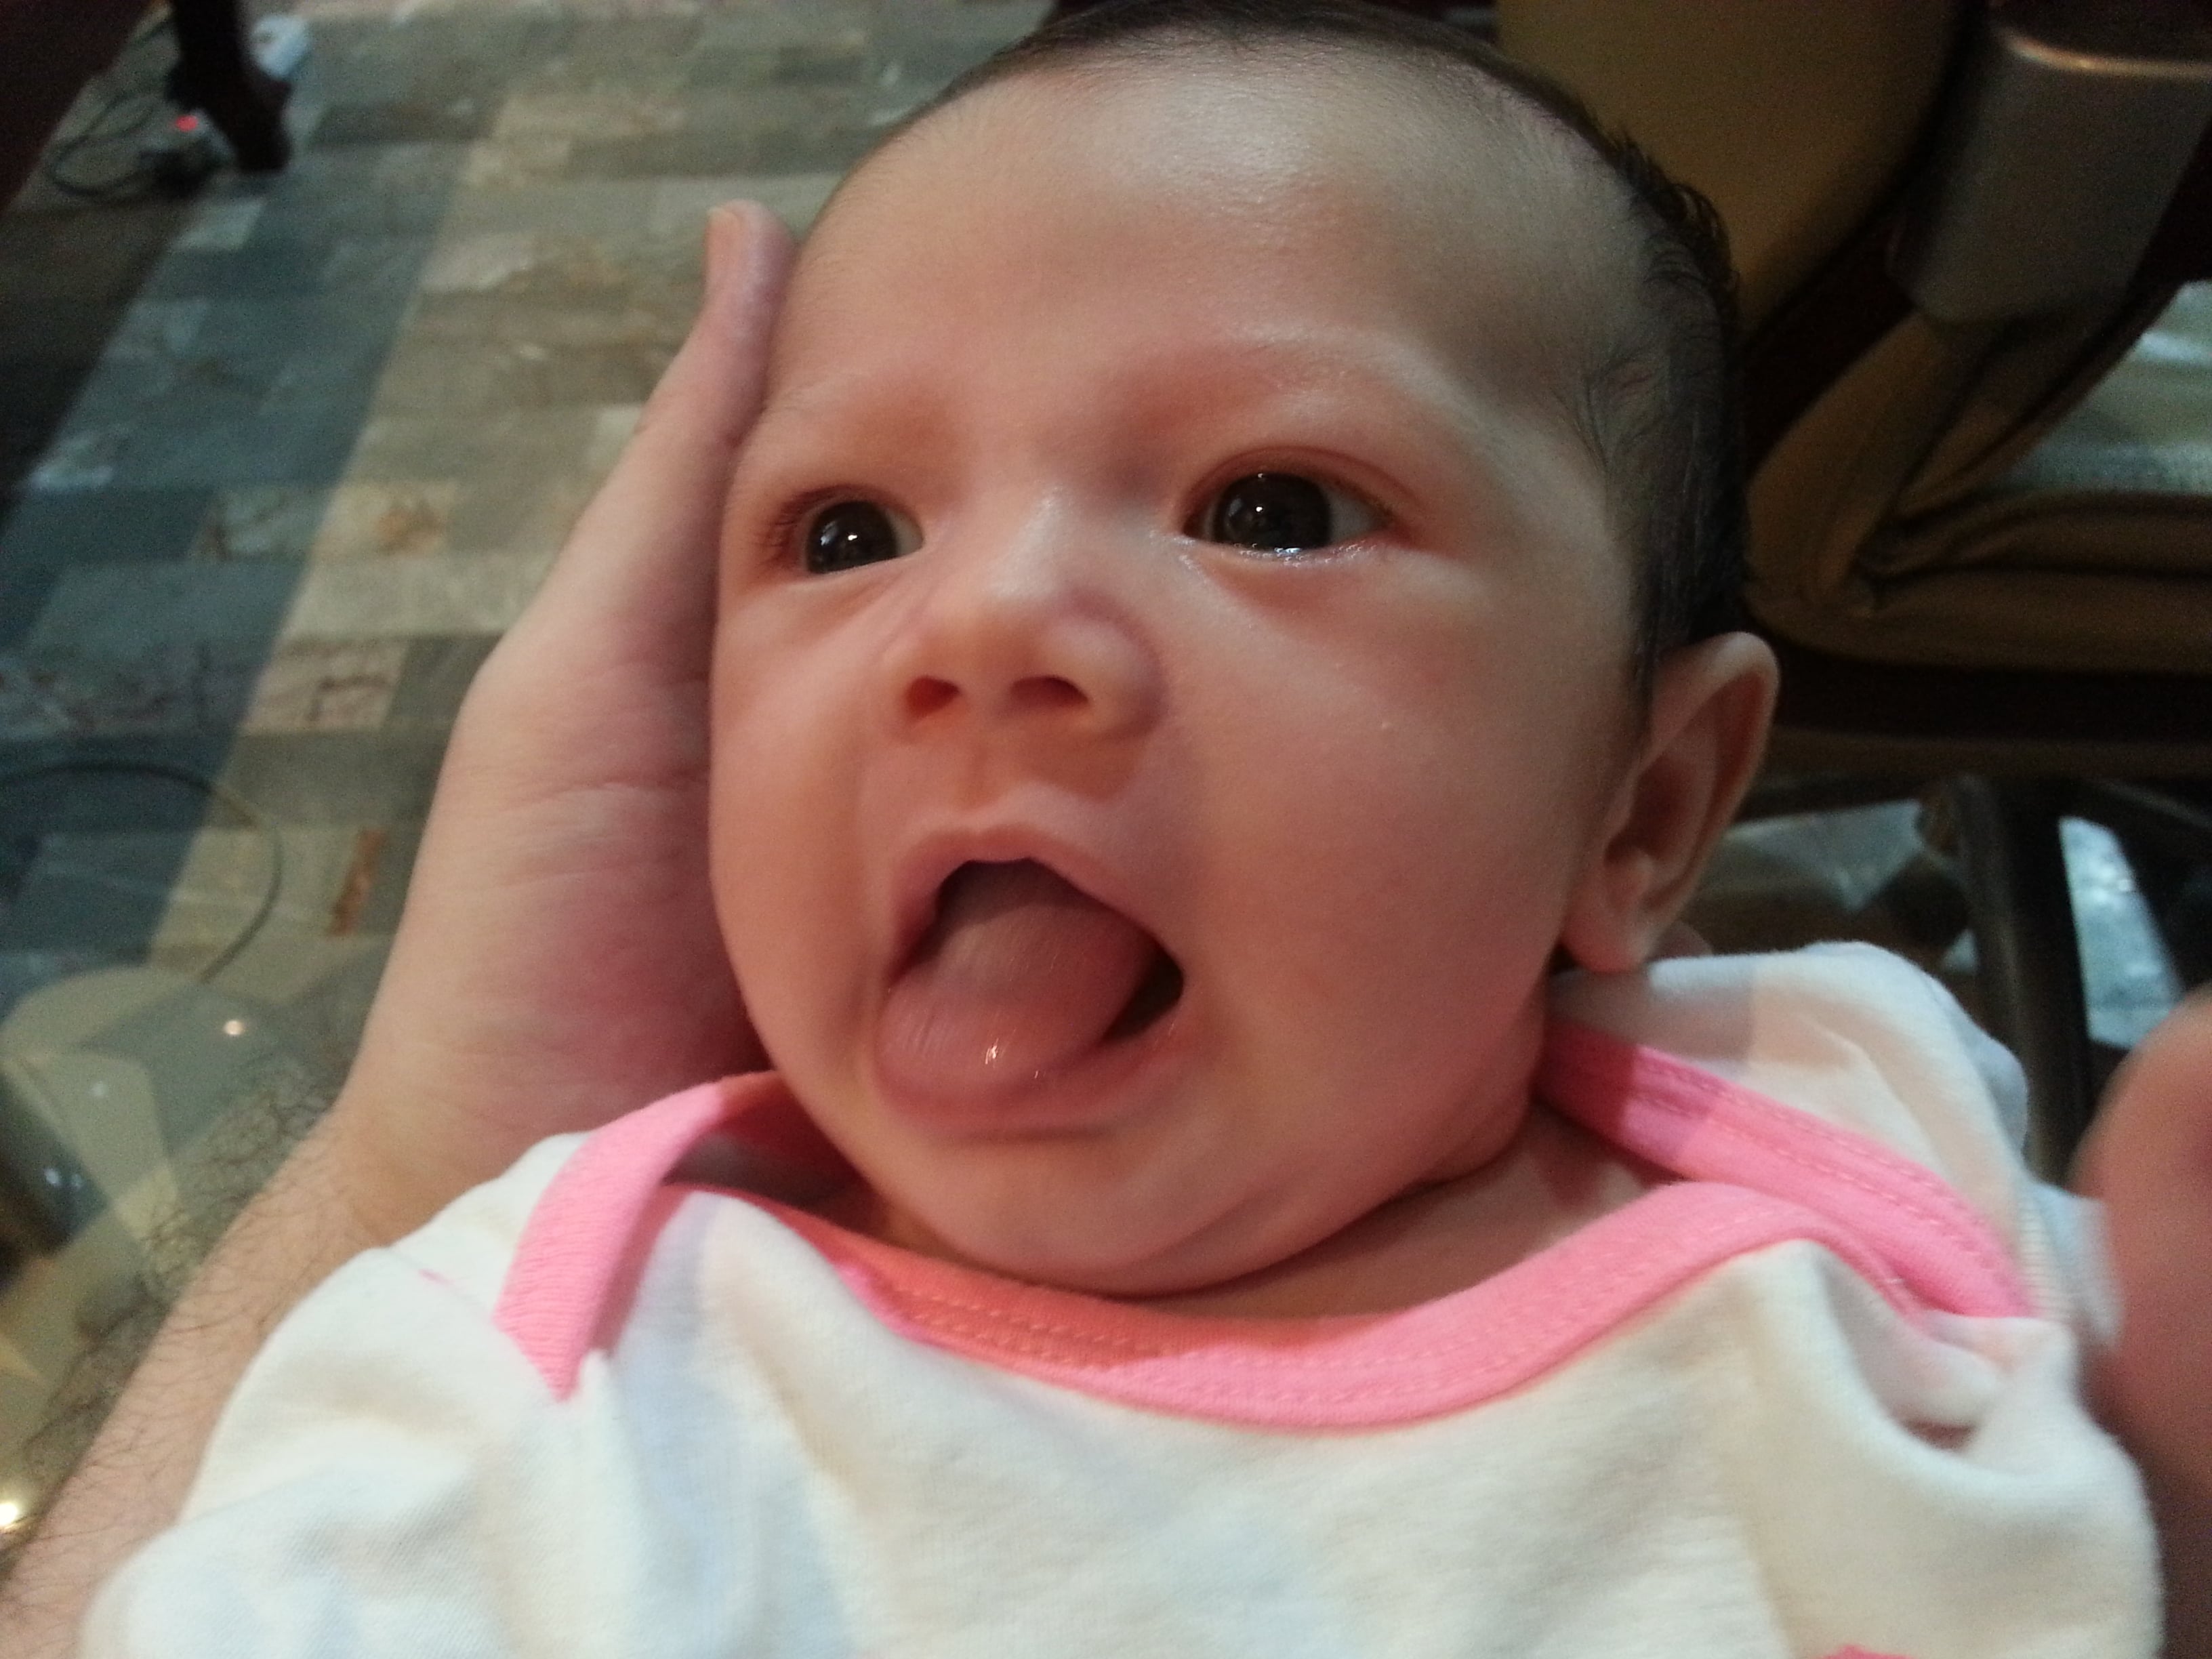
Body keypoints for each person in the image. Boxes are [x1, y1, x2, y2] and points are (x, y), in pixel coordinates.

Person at [7, 1, 2211, 1652]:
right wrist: (401, 1159)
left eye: (1272, 507)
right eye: (850, 530)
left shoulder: (1848, 1159)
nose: (981, 626)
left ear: (1641, 808)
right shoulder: (545, 1375)